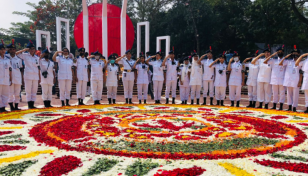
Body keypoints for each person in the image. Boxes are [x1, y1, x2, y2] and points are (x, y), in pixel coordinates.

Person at [16, 40, 40, 109]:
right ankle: (29, 104)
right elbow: (16, 54)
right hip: (28, 75)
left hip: (35, 75)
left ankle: (33, 104)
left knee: (34, 90)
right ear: (28, 49)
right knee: (28, 90)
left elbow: (37, 67)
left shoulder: (36, 57)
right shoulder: (25, 55)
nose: (32, 50)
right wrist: (25, 50)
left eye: (33, 49)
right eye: (30, 49)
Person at [279, 46, 301, 112]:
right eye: (293, 53)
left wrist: (300, 81)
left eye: (296, 53)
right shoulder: (288, 61)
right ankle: (289, 107)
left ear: (299, 54)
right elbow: (280, 64)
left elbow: (301, 72)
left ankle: (294, 107)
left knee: (295, 95)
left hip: (296, 81)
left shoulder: (300, 62)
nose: (295, 54)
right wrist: (285, 57)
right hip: (288, 80)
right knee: (289, 94)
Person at [263, 45, 286, 110]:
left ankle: (281, 106)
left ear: (283, 52)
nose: (280, 52)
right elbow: (265, 62)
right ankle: (274, 105)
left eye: (281, 51)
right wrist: (272, 55)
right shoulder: (273, 60)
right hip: (274, 79)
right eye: (278, 51)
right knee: (275, 93)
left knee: (282, 93)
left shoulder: (286, 61)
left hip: (282, 79)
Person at [6, 39, 22, 111]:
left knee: (17, 93)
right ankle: (11, 107)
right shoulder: (5, 57)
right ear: (8, 50)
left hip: (17, 78)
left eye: (13, 49)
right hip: (9, 78)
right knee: (10, 93)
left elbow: (20, 69)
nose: (12, 50)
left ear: (15, 50)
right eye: (11, 49)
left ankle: (16, 106)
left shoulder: (18, 59)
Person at [0, 40, 12, 112]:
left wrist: (10, 78)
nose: (3, 51)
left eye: (3, 49)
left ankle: (3, 107)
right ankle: (0, 107)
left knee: (5, 94)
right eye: (1, 49)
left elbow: (10, 70)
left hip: (6, 80)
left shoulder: (7, 59)